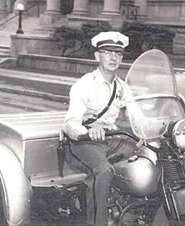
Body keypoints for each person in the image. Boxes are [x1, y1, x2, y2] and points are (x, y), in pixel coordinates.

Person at [63, 31, 140, 226]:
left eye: (118, 53)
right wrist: (88, 131)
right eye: (107, 52)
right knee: (102, 171)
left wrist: (156, 128)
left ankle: (135, 213)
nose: (113, 57)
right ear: (97, 56)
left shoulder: (122, 87)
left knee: (148, 158)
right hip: (84, 141)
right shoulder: (84, 85)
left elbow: (136, 116)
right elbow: (70, 123)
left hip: (112, 140)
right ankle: (97, 222)